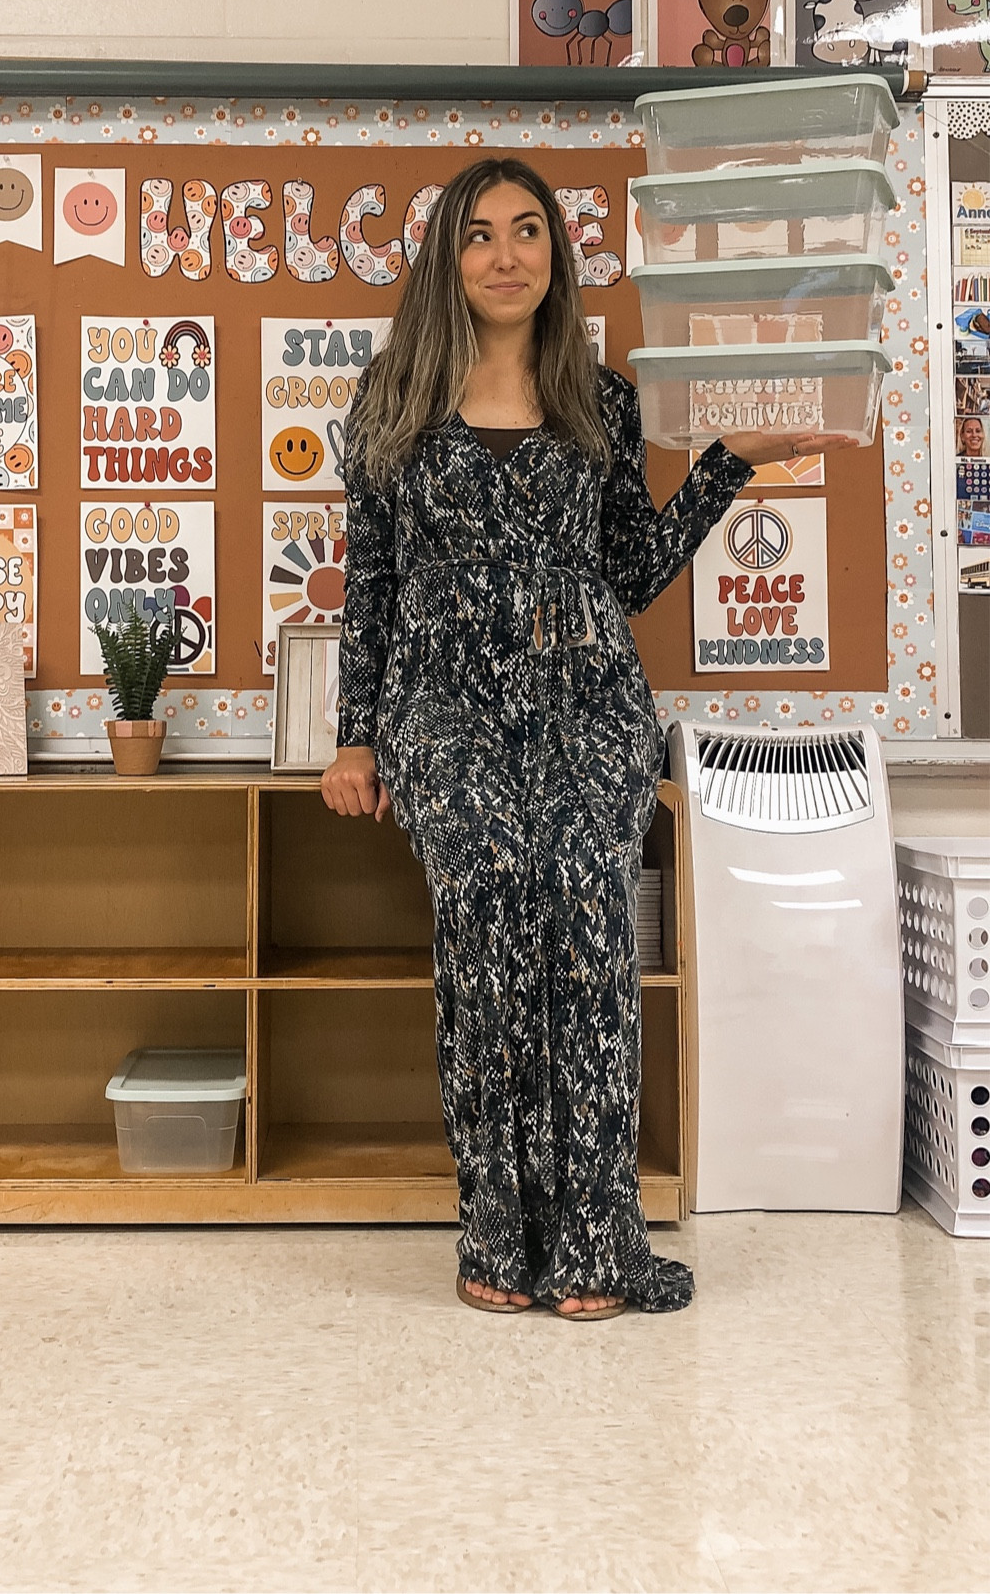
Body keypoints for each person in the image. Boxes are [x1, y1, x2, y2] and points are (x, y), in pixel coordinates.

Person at [321, 156, 850, 1321]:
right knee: (486, 936)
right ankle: (498, 1234)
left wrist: (724, 472)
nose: (505, 255)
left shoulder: (600, 399)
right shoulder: (388, 399)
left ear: (555, 255)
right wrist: (355, 737)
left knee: (587, 943)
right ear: (445, 259)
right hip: (444, 715)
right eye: (477, 235)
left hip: (591, 707)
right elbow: (371, 583)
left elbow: (628, 572)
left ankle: (597, 1243)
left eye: (527, 232)